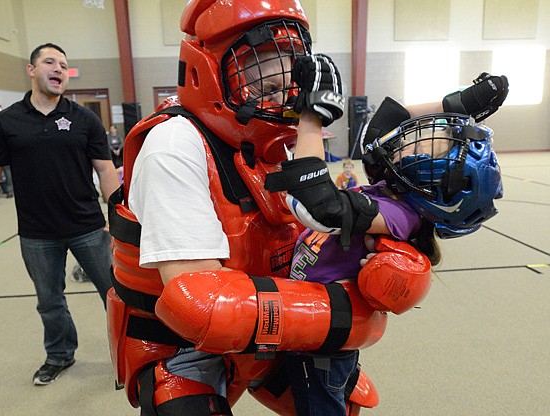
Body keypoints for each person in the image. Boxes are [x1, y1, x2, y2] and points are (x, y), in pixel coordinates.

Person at [106, 1, 509, 415]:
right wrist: (344, 313)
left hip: (256, 316)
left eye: (289, 67)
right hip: (182, 344)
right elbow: (199, 303)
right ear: (206, 69)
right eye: (260, 64)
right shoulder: (175, 145)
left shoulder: (269, 140)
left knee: (343, 402)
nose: (284, 86)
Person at [265, 54, 505, 414]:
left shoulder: (399, 214)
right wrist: (458, 104)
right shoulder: (392, 187)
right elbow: (388, 121)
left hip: (320, 343)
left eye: (425, 144)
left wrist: (311, 117)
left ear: (431, 180)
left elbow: (321, 208)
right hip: (313, 325)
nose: (413, 135)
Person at [0, 43, 120, 386]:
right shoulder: (6, 123)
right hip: (37, 234)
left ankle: (128, 353)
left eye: (64, 65)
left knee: (115, 293)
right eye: (50, 62)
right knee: (49, 301)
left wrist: (116, 213)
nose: (58, 69)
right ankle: (59, 355)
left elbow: (106, 169)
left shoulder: (85, 119)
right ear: (31, 70)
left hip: (87, 226)